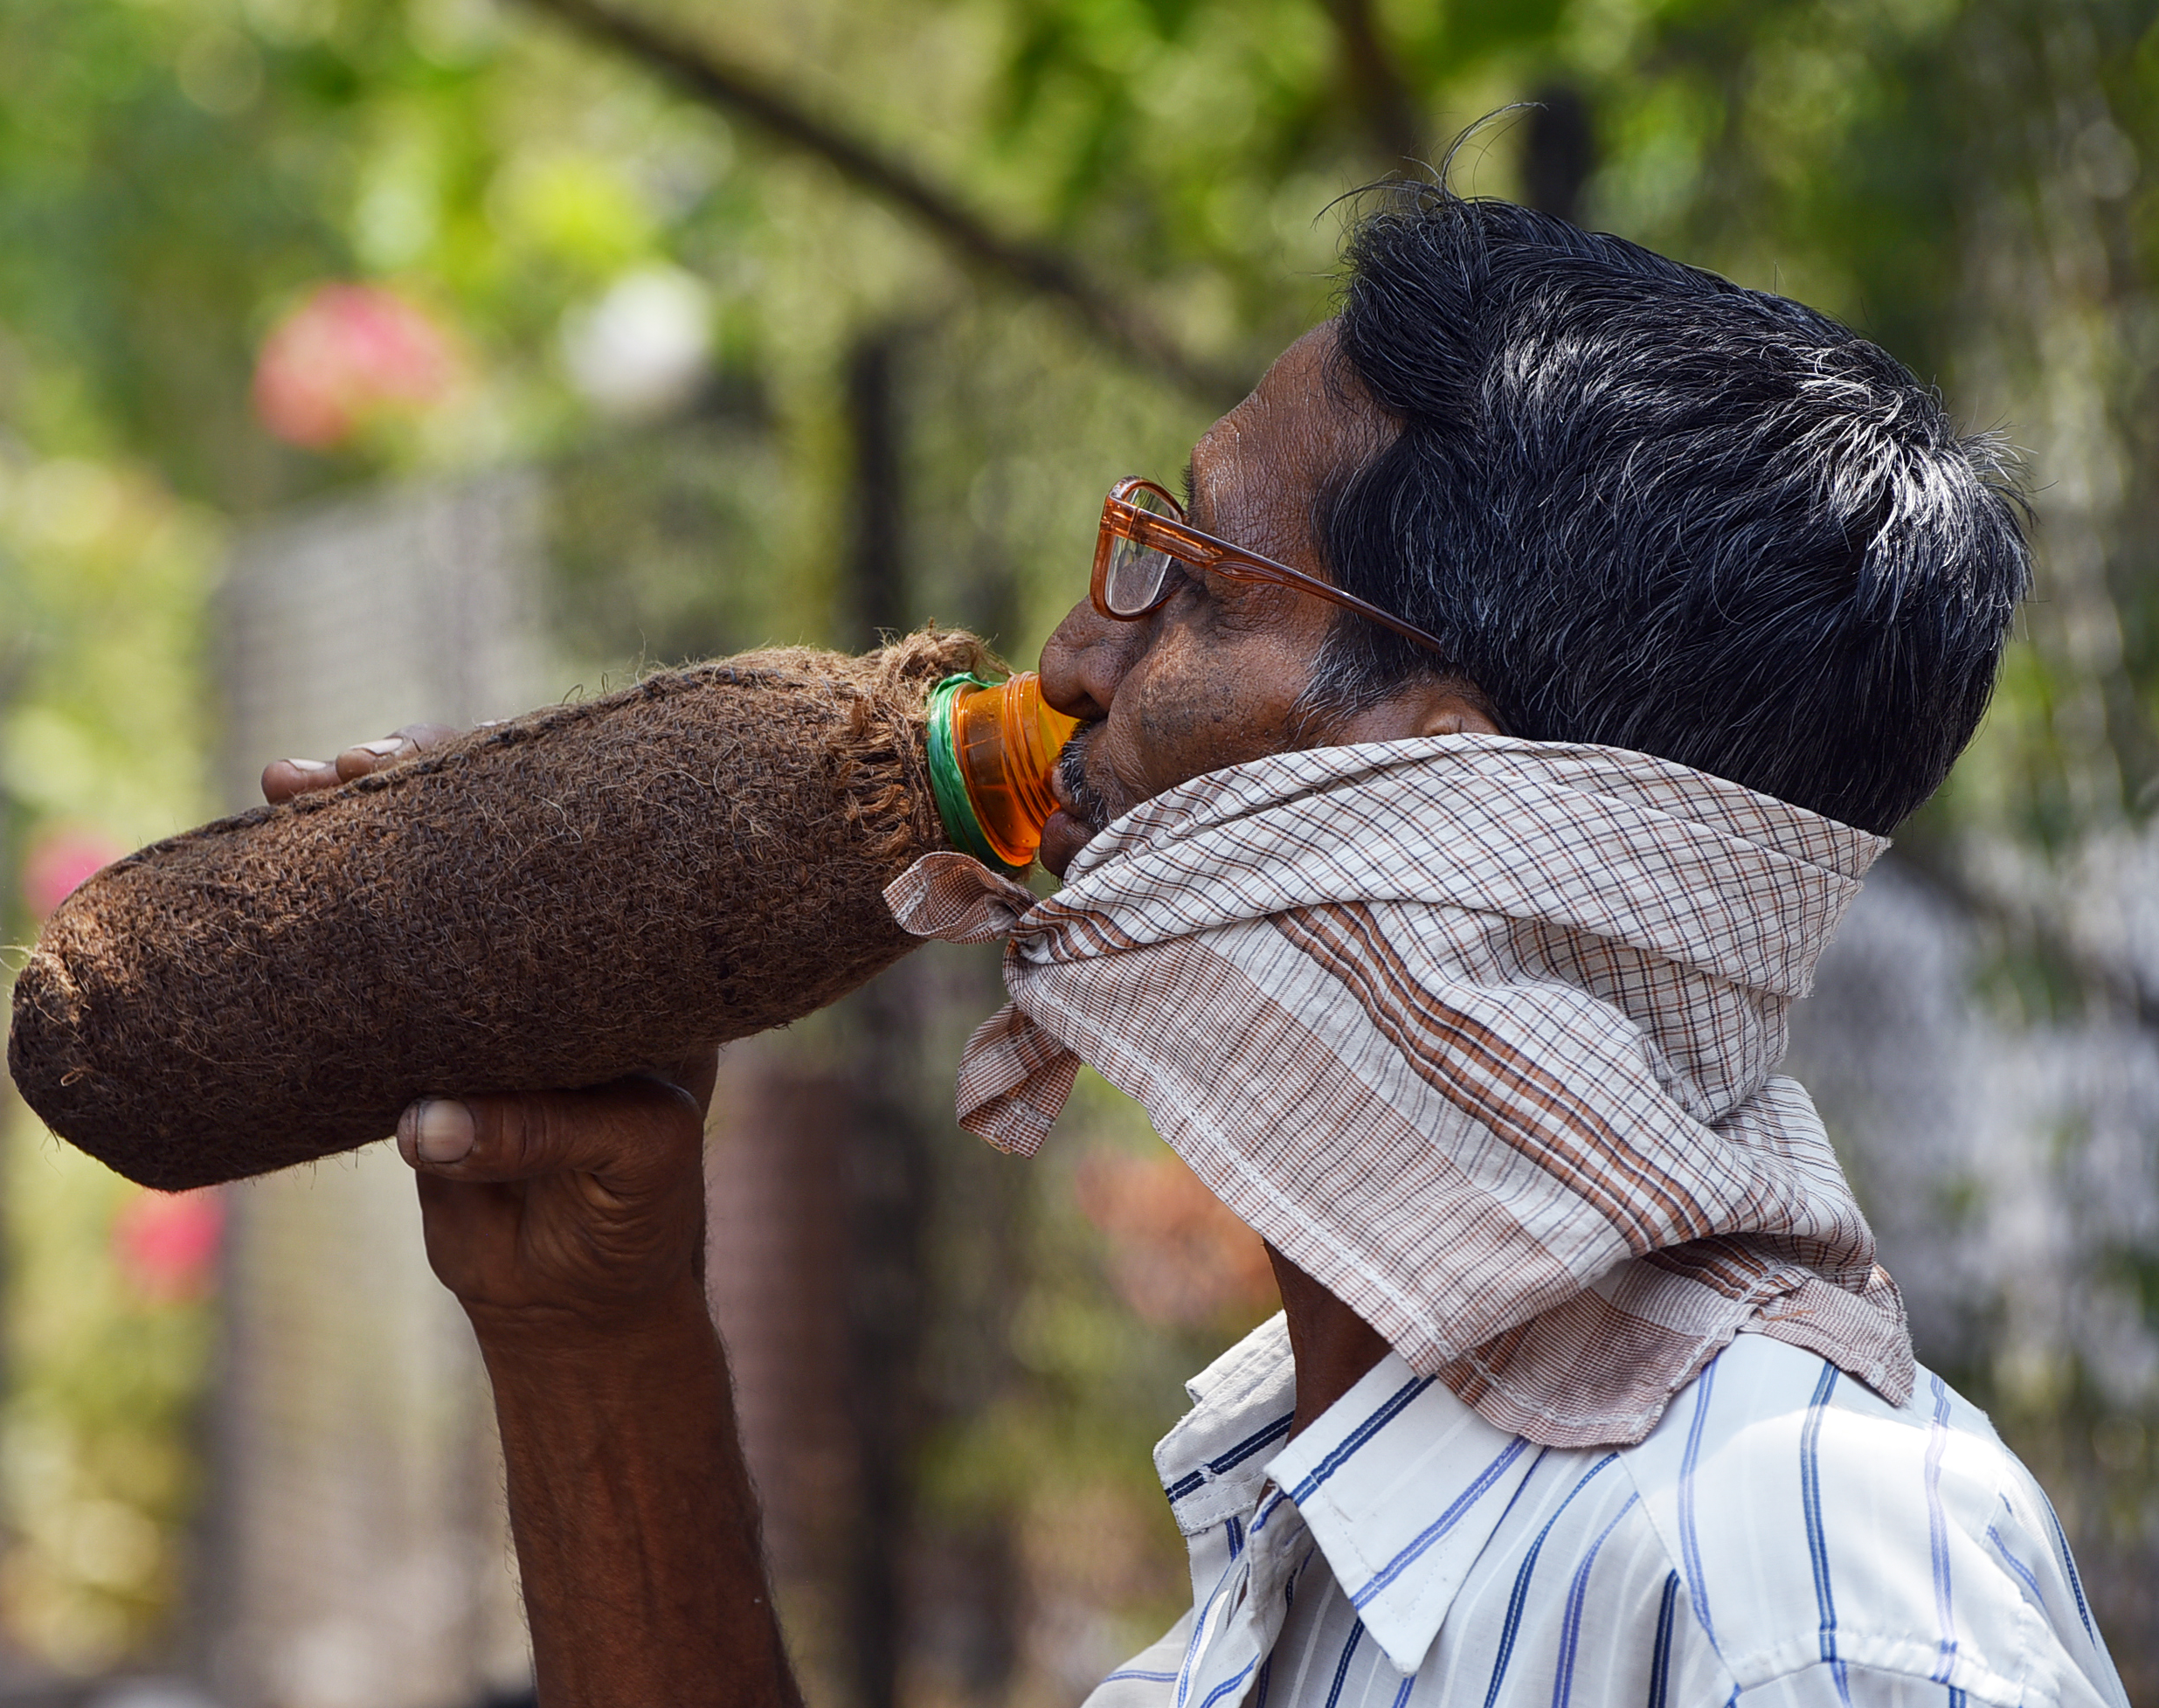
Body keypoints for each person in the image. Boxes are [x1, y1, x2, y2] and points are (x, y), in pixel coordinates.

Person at [266, 188, 2128, 1707]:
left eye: (1190, 575)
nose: (1072, 663)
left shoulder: (1807, 1583)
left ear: (1450, 802)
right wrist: (594, 1331)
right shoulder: (1278, 1584)